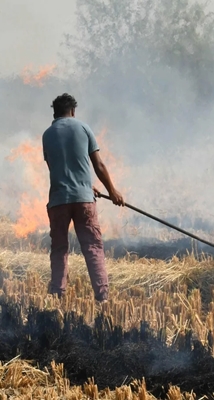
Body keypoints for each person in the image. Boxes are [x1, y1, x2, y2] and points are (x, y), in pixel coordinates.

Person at [42, 93, 124, 303]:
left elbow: (56, 168)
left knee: (59, 249)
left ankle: (57, 296)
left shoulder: (47, 134)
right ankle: (103, 297)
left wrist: (88, 186)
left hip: (59, 200)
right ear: (73, 111)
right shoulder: (83, 128)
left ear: (55, 113)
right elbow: (98, 165)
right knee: (93, 247)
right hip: (83, 200)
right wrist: (112, 191)